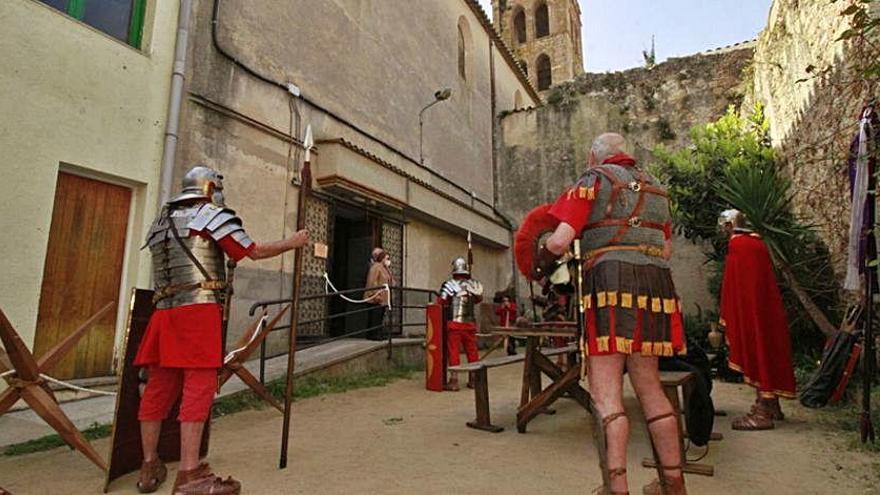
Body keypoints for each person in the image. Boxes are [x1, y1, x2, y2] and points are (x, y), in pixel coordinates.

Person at [135, 165, 309, 494]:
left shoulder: (161, 223)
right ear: (210, 189)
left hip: (163, 314)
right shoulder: (210, 215)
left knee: (158, 389)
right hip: (198, 313)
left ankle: (148, 466)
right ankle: (189, 475)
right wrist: (294, 241)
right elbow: (252, 252)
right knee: (198, 388)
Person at [536, 133, 687, 495]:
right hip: (656, 287)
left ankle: (617, 489)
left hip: (610, 284)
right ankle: (674, 482)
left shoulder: (593, 179)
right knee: (650, 387)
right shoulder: (657, 190)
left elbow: (559, 241)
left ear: (594, 156)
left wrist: (540, 256)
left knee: (606, 396)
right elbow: (665, 250)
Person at [718, 209, 796, 430]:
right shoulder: (756, 243)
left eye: (725, 226)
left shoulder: (740, 245)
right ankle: (771, 404)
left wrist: (736, 311)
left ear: (730, 225)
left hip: (752, 311)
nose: (723, 231)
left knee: (758, 349)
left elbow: (741, 286)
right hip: (763, 309)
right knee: (766, 348)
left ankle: (763, 412)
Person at [439, 257, 483, 391]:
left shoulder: (449, 284)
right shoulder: (473, 285)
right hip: (469, 324)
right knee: (472, 352)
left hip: (455, 324)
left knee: (454, 352)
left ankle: (454, 381)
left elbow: (441, 303)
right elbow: (478, 299)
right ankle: (474, 379)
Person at [364, 247, 393, 340]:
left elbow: (391, 281)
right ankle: (373, 335)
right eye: (387, 258)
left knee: (380, 317)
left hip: (384, 297)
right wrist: (376, 294)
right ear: (382, 258)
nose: (388, 261)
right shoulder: (376, 267)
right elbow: (372, 282)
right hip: (376, 297)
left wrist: (388, 269)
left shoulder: (384, 268)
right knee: (375, 317)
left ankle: (378, 334)